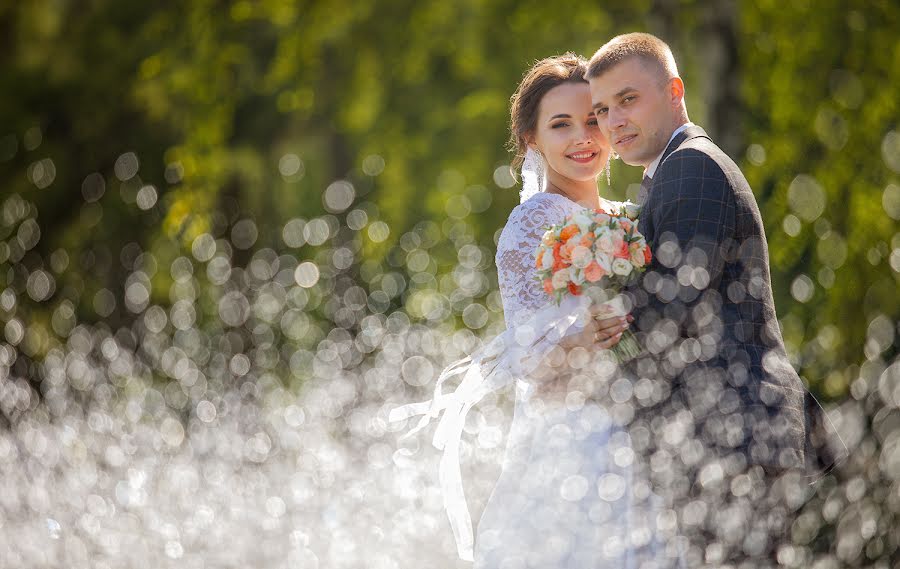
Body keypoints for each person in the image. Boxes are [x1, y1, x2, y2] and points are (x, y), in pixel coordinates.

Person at [390, 53, 684, 568]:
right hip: (577, 445)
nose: (583, 137)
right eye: (561, 124)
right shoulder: (531, 226)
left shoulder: (628, 217)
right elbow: (528, 366)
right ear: (532, 139)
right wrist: (585, 340)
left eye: (594, 119)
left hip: (646, 429)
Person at [587, 33, 847, 566]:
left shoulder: (691, 166)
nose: (613, 121)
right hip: (723, 435)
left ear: (674, 90)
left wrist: (602, 307)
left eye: (628, 99)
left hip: (735, 434)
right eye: (602, 109)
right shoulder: (670, 174)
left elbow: (680, 297)